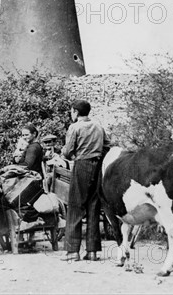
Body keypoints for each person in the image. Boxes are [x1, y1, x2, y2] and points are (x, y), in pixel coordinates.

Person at [61, 100, 111, 262]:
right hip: (97, 167)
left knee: (75, 207)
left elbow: (68, 151)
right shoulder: (98, 126)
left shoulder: (74, 127)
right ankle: (92, 252)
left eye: (71, 111)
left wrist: (71, 155)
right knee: (93, 207)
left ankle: (72, 252)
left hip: (81, 165)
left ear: (75, 112)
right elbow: (108, 145)